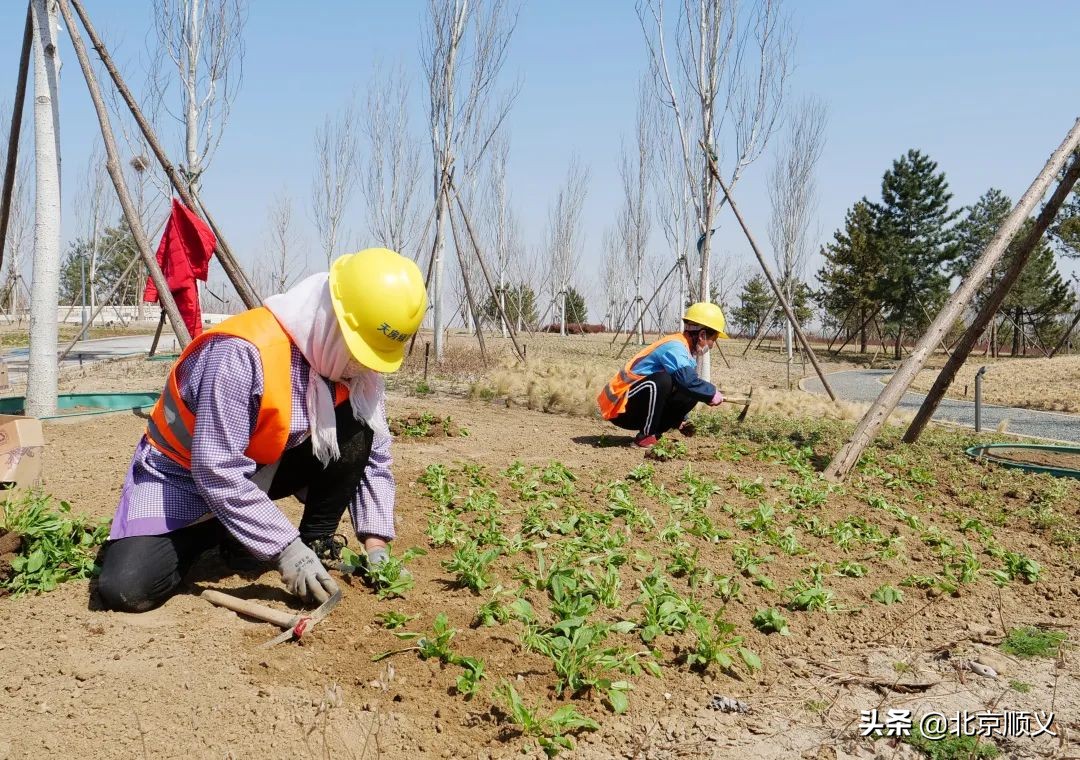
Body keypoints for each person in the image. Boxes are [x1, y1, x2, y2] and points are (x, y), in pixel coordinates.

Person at [96, 248, 427, 612]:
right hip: (181, 477)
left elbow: (374, 458)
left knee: (356, 428)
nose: (361, 366)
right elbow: (215, 468)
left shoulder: (352, 368)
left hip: (258, 469)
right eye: (358, 352)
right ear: (333, 319)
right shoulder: (241, 353)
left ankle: (309, 540)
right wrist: (283, 548)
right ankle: (221, 530)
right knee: (126, 585)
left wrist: (376, 545)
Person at [597, 302, 729, 448]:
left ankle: (654, 433)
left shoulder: (686, 354)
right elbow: (685, 381)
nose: (711, 346)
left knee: (694, 391)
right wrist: (710, 392)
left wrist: (679, 418)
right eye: (713, 340)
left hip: (636, 407)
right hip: (618, 406)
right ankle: (645, 436)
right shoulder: (675, 347)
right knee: (663, 381)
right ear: (702, 335)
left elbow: (686, 386)